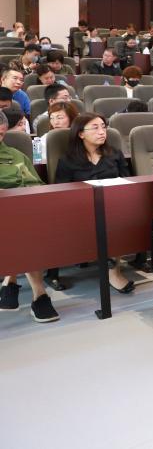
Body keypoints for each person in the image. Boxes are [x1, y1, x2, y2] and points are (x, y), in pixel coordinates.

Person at [54, 113, 135, 293]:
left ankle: (113, 270)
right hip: (81, 210)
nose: (102, 132)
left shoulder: (114, 154)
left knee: (117, 219)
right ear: (81, 134)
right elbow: (61, 193)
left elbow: (128, 182)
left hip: (113, 206)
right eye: (95, 128)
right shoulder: (67, 161)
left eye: (103, 127)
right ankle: (109, 262)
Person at [0, 110, 60, 323]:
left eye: (1, 134)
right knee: (22, 233)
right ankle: (39, 294)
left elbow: (36, 185)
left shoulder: (16, 155)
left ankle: (12, 283)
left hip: (21, 211)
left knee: (25, 229)